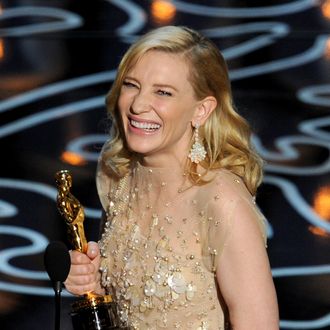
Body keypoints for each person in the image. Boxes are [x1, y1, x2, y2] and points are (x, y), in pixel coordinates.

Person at [64, 26, 279, 329]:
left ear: (201, 110)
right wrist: (92, 285)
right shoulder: (120, 177)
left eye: (163, 92)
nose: (138, 105)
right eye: (131, 85)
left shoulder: (221, 201)